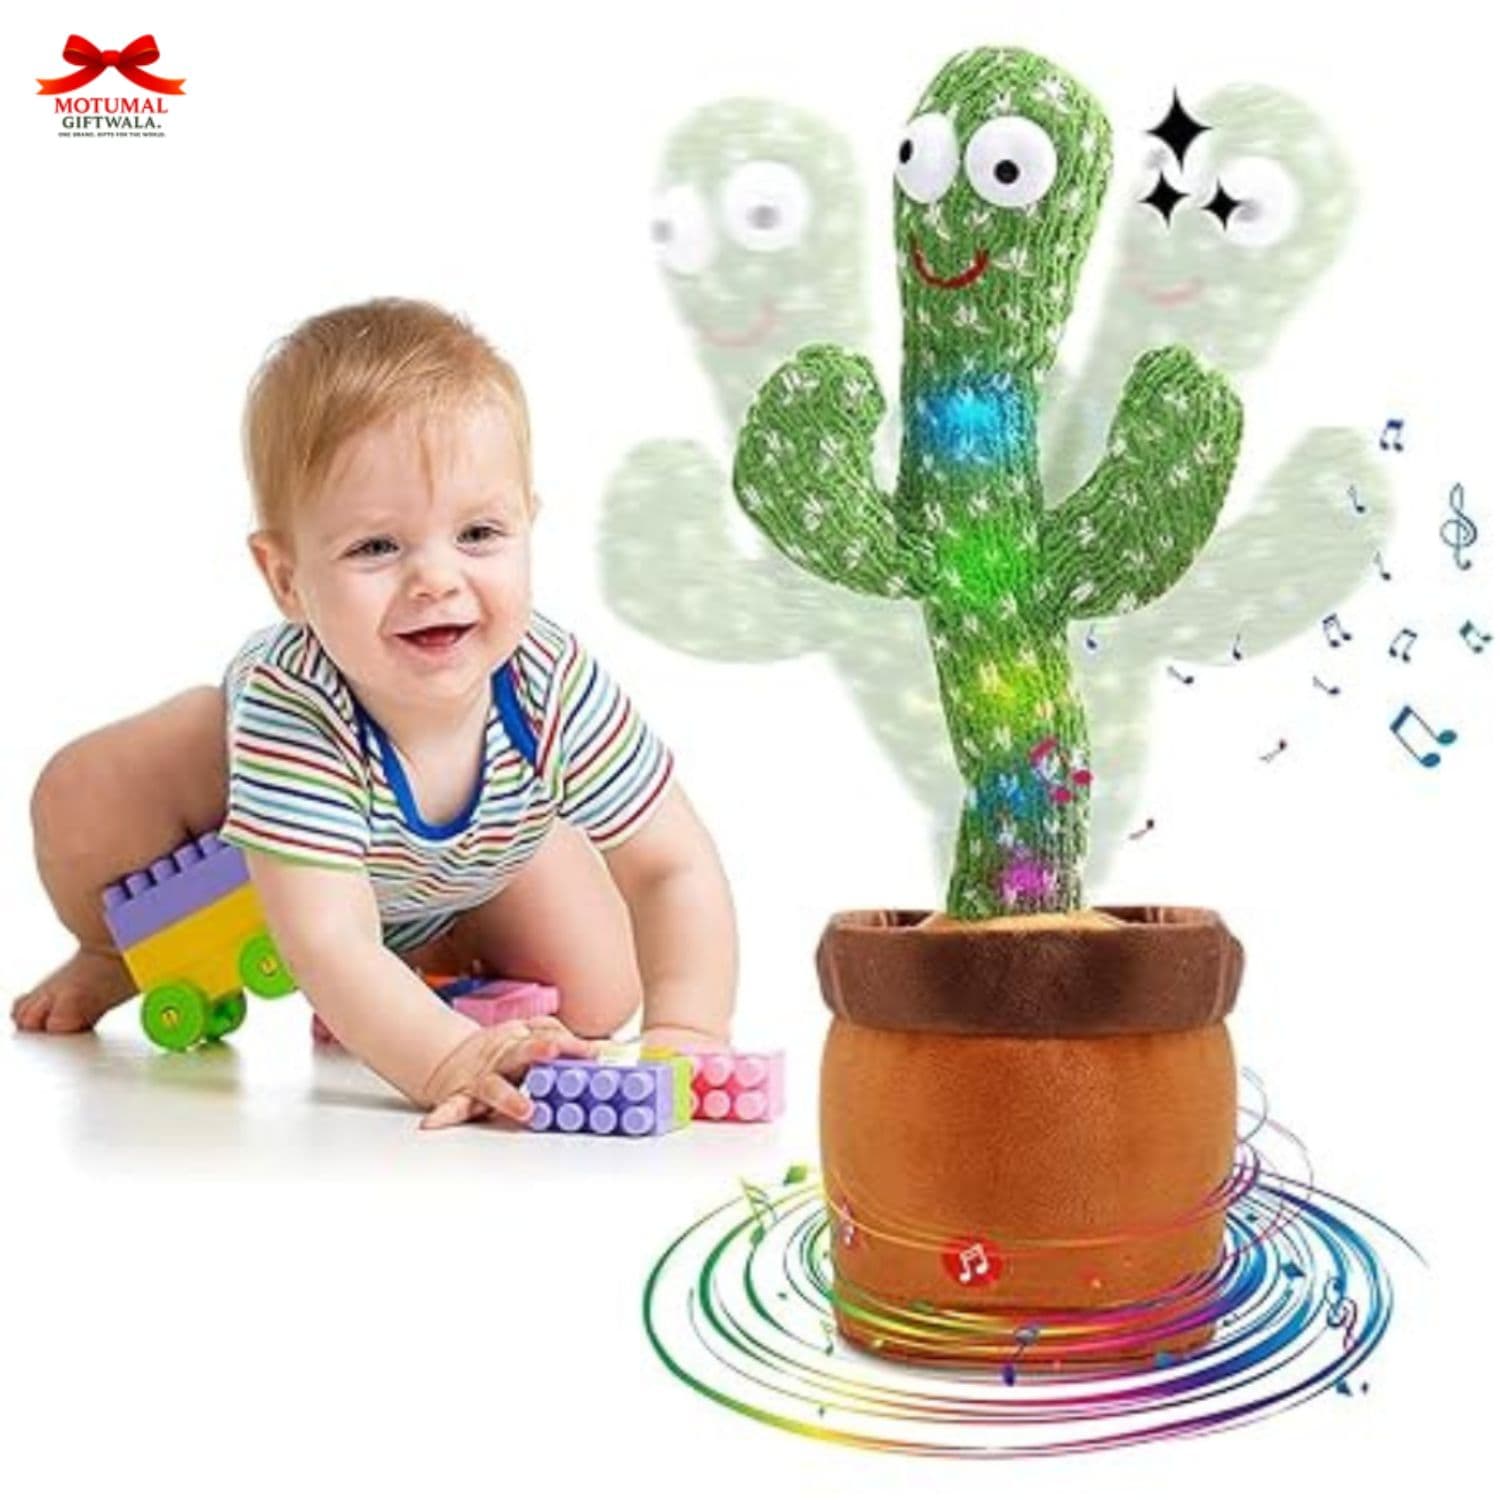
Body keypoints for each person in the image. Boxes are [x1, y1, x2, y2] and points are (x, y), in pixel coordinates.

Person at [12, 297, 738, 1128]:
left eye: (478, 534)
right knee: (85, 797)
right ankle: (113, 952)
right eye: (375, 548)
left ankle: (425, 960)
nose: (436, 579)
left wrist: (690, 1031)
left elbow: (671, 865)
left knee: (602, 997)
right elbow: (329, 940)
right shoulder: (301, 706)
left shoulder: (549, 677)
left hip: (466, 861)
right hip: (261, 823)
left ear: (528, 525)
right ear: (286, 580)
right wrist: (449, 1056)